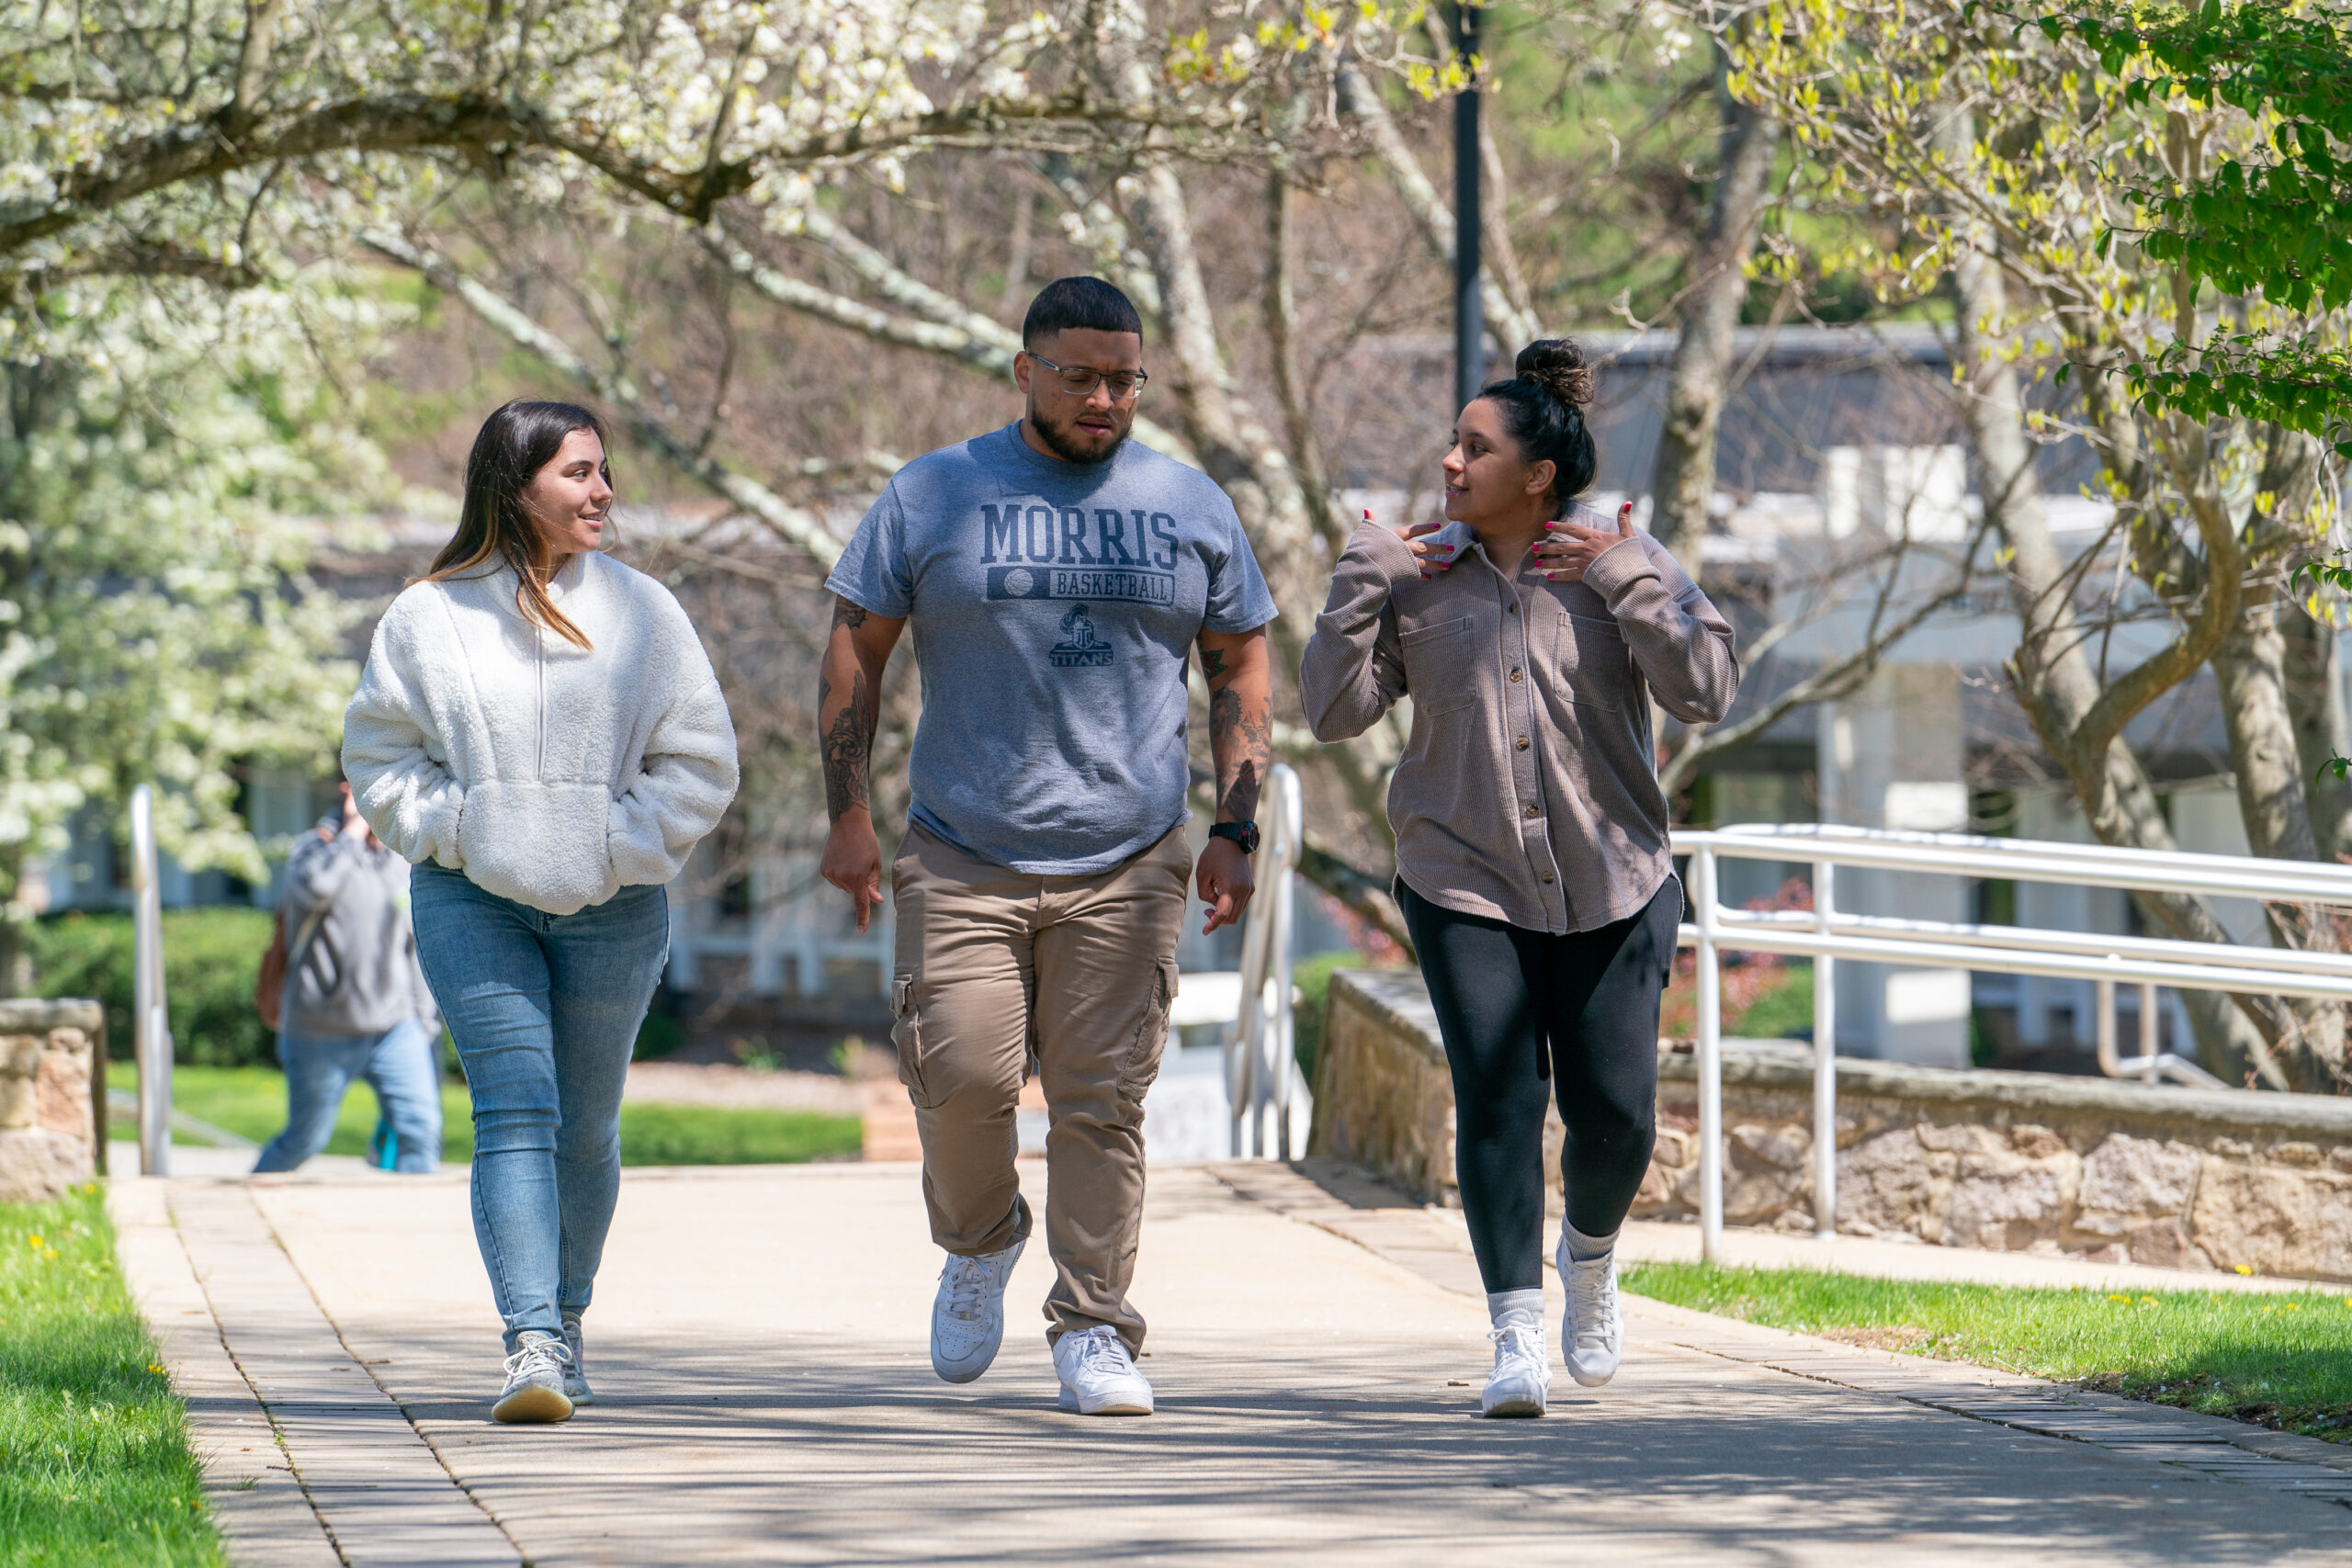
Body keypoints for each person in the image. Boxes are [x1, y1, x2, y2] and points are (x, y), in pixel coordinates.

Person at [820, 276, 1276, 1417]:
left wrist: (1234, 825)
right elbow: (856, 649)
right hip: (961, 848)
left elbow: (1241, 664)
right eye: (1079, 376)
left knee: (1100, 1101)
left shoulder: (1188, 500)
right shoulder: (933, 493)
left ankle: (1095, 1327)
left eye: (1124, 379)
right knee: (963, 1078)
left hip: (1127, 855)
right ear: (1023, 371)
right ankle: (979, 1242)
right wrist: (846, 811)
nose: (1105, 398)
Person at [1300, 340, 1737, 1418]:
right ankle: (1513, 1336)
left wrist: (1628, 578)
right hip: (1461, 879)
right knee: (1498, 1095)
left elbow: (1708, 687)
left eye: (1474, 447)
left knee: (1618, 1118)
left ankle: (1587, 1258)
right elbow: (1332, 709)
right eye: (1453, 442)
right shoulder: (1418, 576)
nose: (1449, 462)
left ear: (1536, 474)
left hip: (1614, 880)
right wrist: (1363, 582)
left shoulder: (1619, 561)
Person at [344, 400, 739, 1425]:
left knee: (587, 1129)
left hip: (617, 907)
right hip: (472, 899)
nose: (602, 492)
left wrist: (614, 845)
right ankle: (529, 1345)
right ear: (514, 486)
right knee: (515, 1114)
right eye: (578, 474)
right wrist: (464, 830)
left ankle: (566, 1317)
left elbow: (699, 765)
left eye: (604, 472)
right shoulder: (426, 617)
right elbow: (381, 757)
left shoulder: (646, 612)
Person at [252, 781, 444, 1176]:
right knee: (305, 1139)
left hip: (394, 1027)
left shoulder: (397, 859)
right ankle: (242, 1205)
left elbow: (414, 944)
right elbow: (316, 889)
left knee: (420, 1130)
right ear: (346, 792)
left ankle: (417, 1227)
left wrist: (424, 1022)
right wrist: (353, 830)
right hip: (319, 1029)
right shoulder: (314, 850)